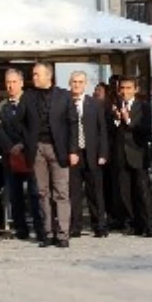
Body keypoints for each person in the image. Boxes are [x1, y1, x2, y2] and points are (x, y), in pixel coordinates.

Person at [21, 62, 80, 247]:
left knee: (61, 192)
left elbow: (73, 124)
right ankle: (46, 232)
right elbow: (20, 121)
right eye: (33, 74)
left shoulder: (64, 96)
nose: (34, 78)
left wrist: (73, 150)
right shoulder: (28, 96)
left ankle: (63, 234)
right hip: (37, 148)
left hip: (59, 148)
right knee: (41, 192)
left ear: (49, 76)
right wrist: (27, 141)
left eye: (37, 74)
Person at [0, 69, 43, 240]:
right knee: (15, 195)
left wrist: (24, 144)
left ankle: (40, 228)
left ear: (21, 83)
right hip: (11, 157)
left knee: (35, 193)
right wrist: (11, 147)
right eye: (8, 82)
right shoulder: (0, 107)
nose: (11, 86)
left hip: (30, 154)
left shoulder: (32, 102)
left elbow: (36, 126)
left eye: (14, 82)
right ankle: (21, 229)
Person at [111, 76, 152, 238]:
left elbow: (145, 129)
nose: (125, 92)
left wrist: (127, 120)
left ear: (136, 89)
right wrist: (116, 120)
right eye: (122, 88)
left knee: (143, 191)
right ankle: (131, 224)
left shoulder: (144, 106)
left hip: (138, 153)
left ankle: (149, 225)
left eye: (129, 88)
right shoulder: (114, 106)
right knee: (125, 192)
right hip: (121, 154)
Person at [68, 72, 109, 238]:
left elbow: (102, 130)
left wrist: (103, 153)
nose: (77, 85)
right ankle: (75, 226)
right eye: (74, 82)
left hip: (92, 153)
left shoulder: (95, 104)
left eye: (80, 82)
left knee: (95, 192)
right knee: (74, 192)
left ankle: (99, 225)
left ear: (85, 84)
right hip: (73, 154)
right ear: (70, 83)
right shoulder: (65, 103)